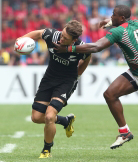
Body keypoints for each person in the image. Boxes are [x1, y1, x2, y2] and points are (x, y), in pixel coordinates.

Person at [54, 5, 138, 157]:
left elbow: (96, 47)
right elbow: (124, 24)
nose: (111, 16)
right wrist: (108, 22)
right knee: (110, 94)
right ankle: (124, 132)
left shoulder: (118, 31)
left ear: (122, 19)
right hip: (136, 71)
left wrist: (68, 49)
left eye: (113, 15)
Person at [15, 20, 91, 158]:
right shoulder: (53, 35)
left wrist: (78, 75)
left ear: (74, 40)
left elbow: (87, 58)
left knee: (49, 116)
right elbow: (38, 33)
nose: (61, 38)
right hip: (49, 79)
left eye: (65, 38)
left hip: (66, 82)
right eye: (62, 34)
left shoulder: (81, 48)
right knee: (36, 117)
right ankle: (65, 121)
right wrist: (22, 39)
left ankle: (46, 150)